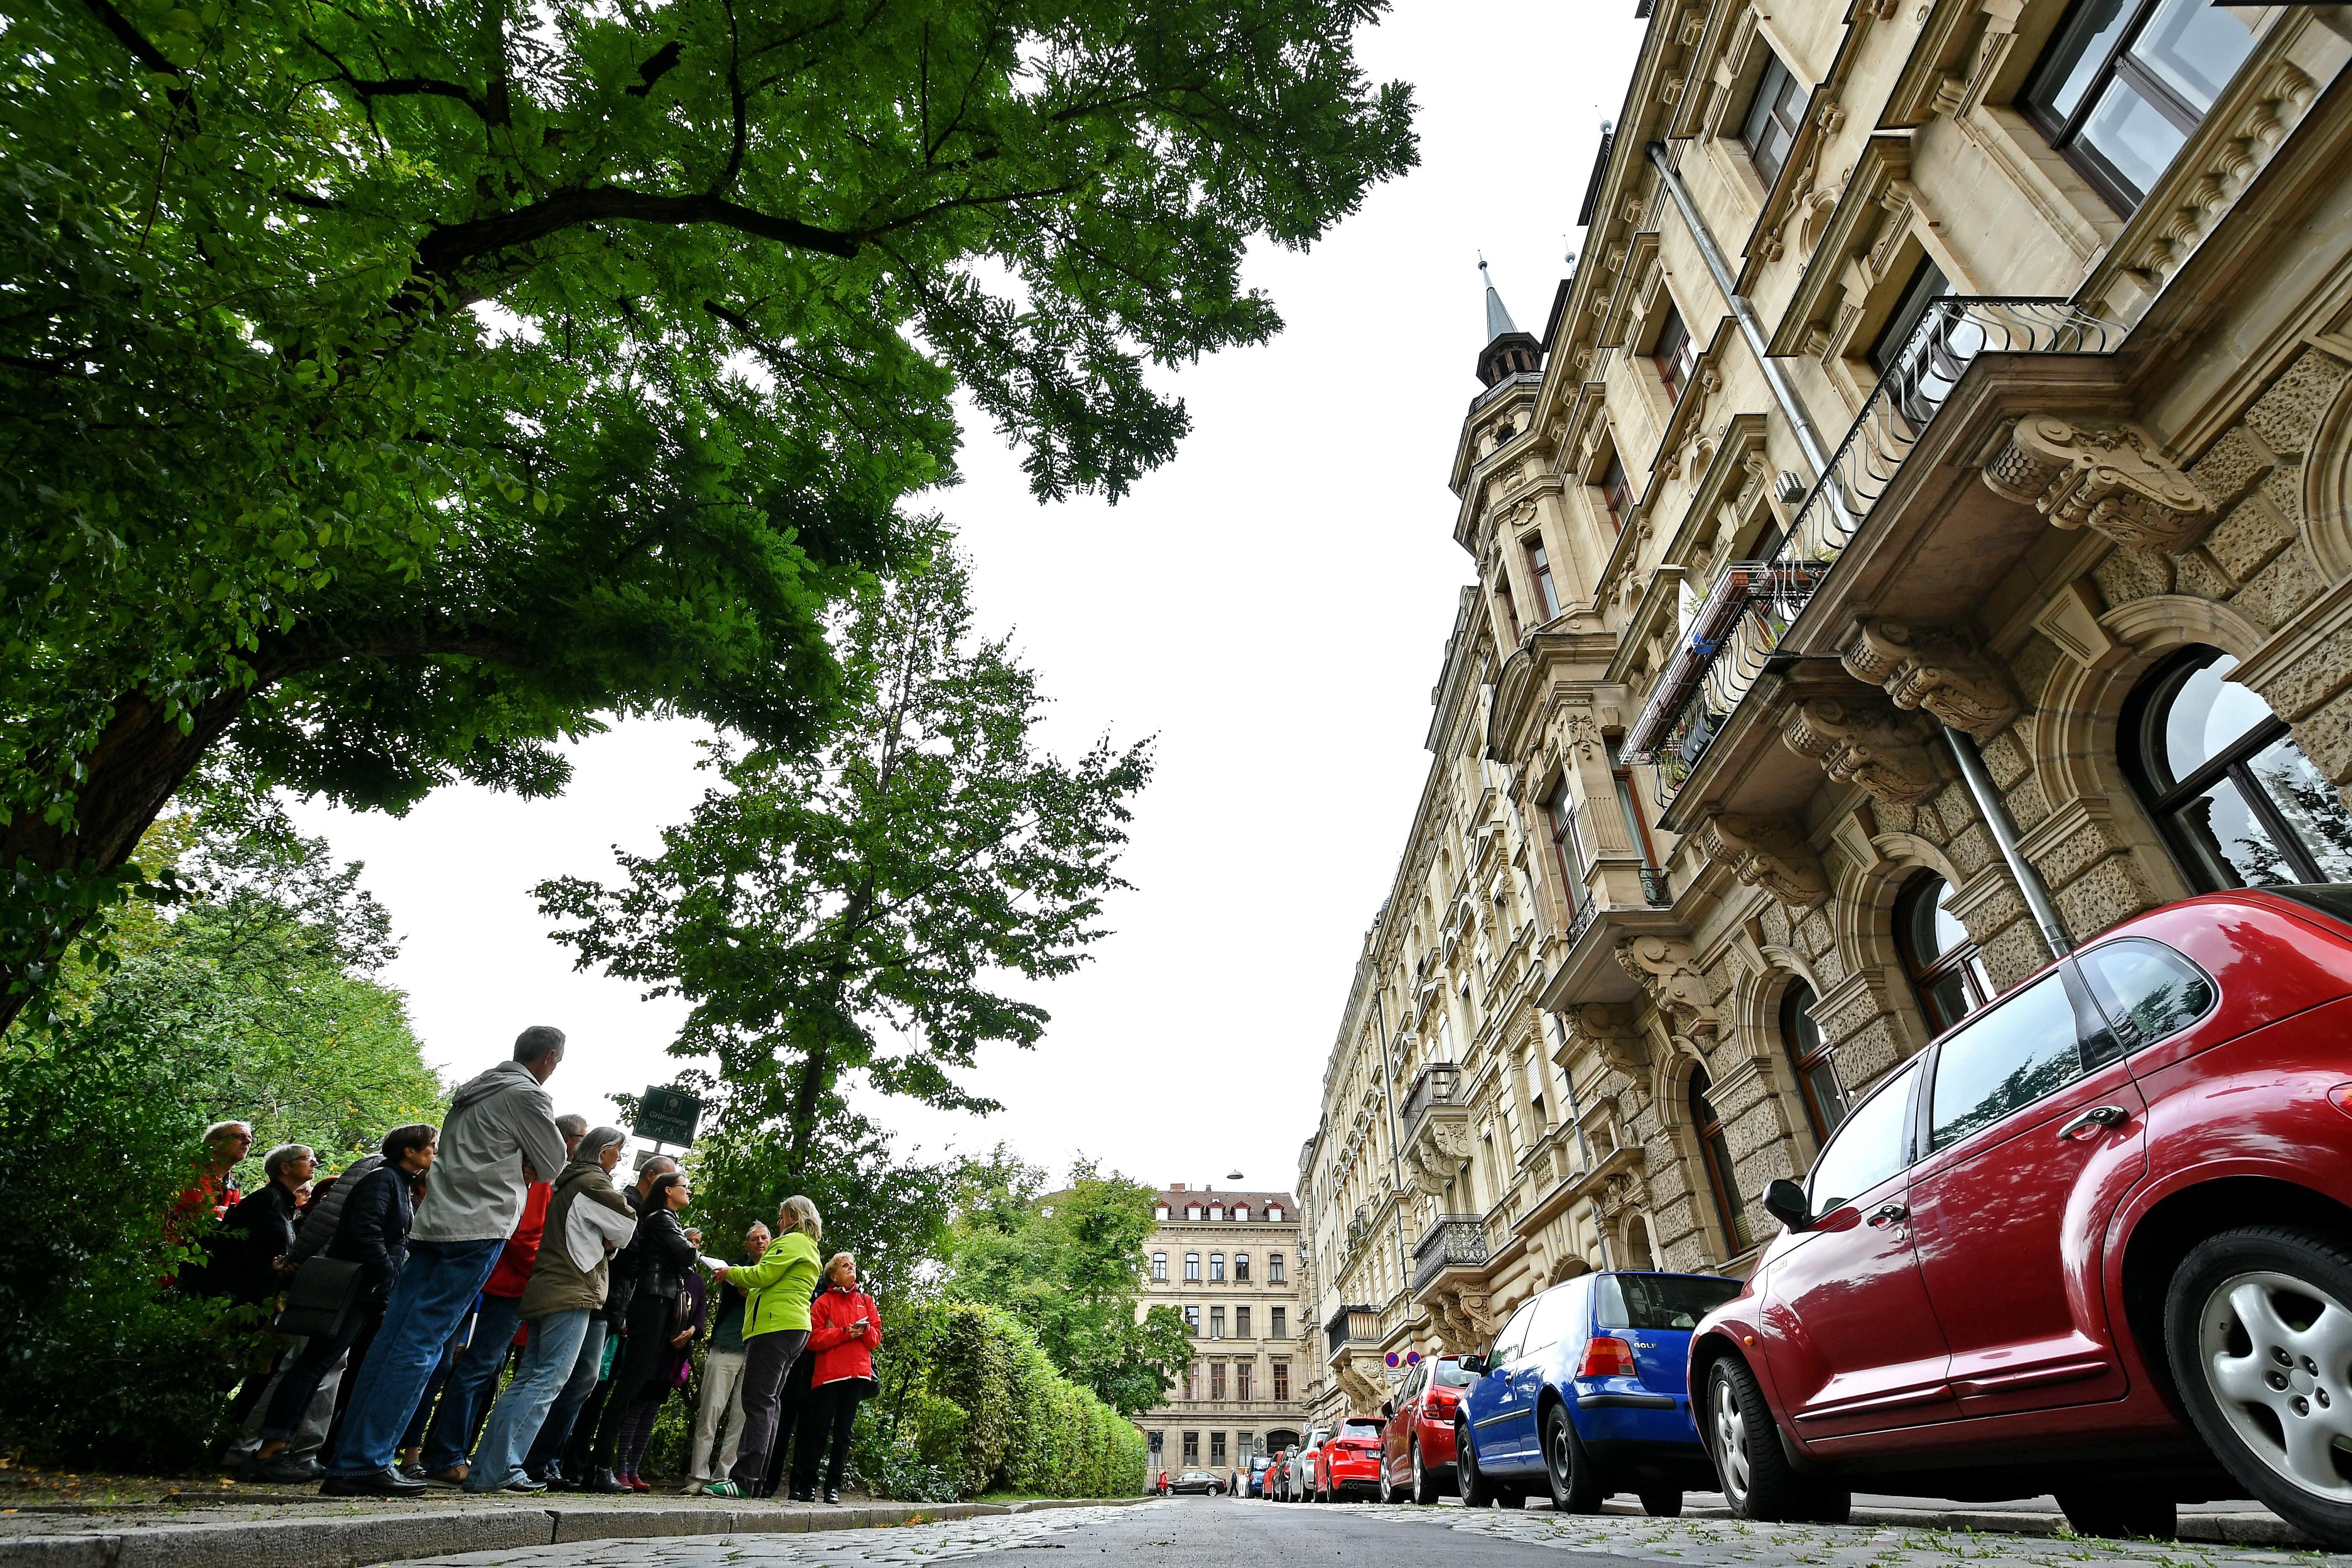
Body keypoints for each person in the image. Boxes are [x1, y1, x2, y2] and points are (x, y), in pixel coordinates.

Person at [324, 1027, 570, 1497]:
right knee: (424, 1343)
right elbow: (555, 1163)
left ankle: (349, 1457)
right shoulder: (528, 1096)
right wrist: (526, 1162)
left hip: (434, 1223)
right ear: (551, 1057)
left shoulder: (474, 1089)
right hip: (479, 1228)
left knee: (393, 1337)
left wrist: (521, 1158)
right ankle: (365, 1461)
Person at [250, 1125, 437, 1483]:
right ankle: (271, 1451)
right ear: (408, 1151)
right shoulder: (382, 1180)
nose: (434, 1153)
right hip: (353, 1286)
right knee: (312, 1364)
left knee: (318, 1366)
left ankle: (285, 1450)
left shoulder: (397, 1182)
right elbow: (364, 1231)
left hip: (366, 1288)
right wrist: (386, 1273)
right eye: (429, 1147)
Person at [413, 1113, 586, 1486]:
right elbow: (525, 1235)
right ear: (561, 1138)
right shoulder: (539, 1172)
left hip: (504, 1282)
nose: (580, 1146)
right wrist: (544, 1273)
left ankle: (452, 1452)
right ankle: (445, 1454)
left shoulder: (542, 1173)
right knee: (476, 1368)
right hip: (507, 1283)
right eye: (579, 1138)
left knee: (480, 1370)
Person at [464, 1125, 634, 1494]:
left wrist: (608, 1241)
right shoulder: (592, 1182)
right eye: (618, 1152)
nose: (619, 1159)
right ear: (604, 1151)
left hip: (548, 1287)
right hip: (571, 1289)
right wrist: (610, 1242)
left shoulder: (564, 1181)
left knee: (531, 1379)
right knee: (547, 1380)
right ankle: (503, 1469)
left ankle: (487, 1470)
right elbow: (626, 1226)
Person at [701, 1195, 822, 1499]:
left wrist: (730, 1273)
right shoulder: (810, 1246)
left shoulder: (790, 1242)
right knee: (770, 1403)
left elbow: (762, 1275)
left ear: (793, 1216)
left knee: (756, 1401)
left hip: (774, 1327)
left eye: (781, 1218)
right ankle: (755, 1481)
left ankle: (743, 1480)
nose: (779, 1225)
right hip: (795, 1328)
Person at [588, 1169, 702, 1491]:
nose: (689, 1192)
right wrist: (690, 1257)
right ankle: (600, 1466)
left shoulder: (666, 1221)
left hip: (657, 1301)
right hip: (652, 1301)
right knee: (629, 1385)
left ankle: (601, 1465)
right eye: (685, 1187)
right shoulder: (662, 1220)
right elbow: (688, 1254)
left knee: (631, 1384)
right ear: (668, 1190)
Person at [790, 1252, 880, 1505]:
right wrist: (844, 1333)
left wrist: (862, 1331)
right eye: (845, 1266)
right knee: (819, 1432)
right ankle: (808, 1486)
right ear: (833, 1275)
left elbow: (875, 1339)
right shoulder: (823, 1303)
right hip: (829, 1376)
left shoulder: (866, 1300)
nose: (851, 1268)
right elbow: (813, 1340)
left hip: (857, 1375)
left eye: (853, 1265)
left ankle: (833, 1488)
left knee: (844, 1433)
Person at [686, 1221, 768, 1494]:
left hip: (756, 1352)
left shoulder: (778, 1271)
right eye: (755, 1239)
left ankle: (724, 1478)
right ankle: (698, 1477)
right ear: (747, 1245)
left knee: (741, 1419)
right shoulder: (732, 1267)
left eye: (765, 1238)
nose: (760, 1242)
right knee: (710, 1413)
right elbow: (744, 1289)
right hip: (726, 1346)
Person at [169, 1120, 253, 1293]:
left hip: (198, 1269)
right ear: (214, 1144)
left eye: (250, 1138)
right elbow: (199, 1216)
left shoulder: (230, 1184)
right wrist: (229, 1214)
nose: (248, 1142)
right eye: (239, 1137)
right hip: (169, 1264)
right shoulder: (192, 1174)